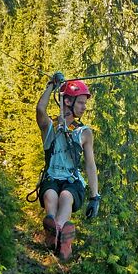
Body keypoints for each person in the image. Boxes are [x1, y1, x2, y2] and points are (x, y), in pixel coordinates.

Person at [35, 73, 100, 260]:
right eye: (80, 102)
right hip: (51, 178)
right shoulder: (50, 128)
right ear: (68, 102)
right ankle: (56, 231)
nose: (84, 107)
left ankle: (59, 231)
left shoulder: (83, 133)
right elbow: (40, 109)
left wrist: (95, 196)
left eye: (84, 103)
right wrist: (51, 86)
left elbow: (90, 164)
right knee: (50, 194)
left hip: (72, 182)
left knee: (65, 196)